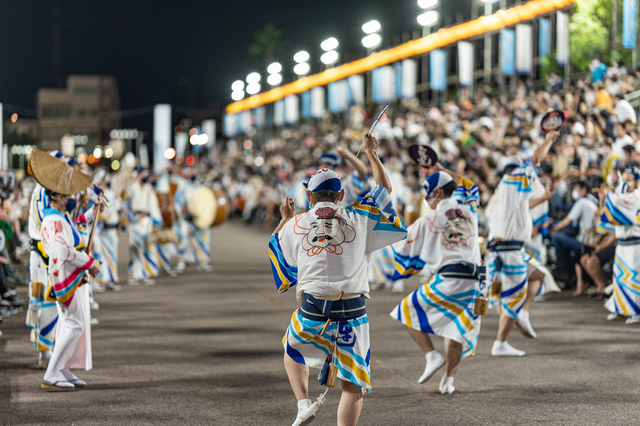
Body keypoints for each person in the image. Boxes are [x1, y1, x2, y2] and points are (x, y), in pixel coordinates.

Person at [269, 135, 406, 426]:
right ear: (340, 195)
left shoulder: (296, 224)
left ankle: (304, 403)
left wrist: (285, 217)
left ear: (309, 197)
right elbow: (384, 189)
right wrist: (371, 153)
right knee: (353, 386)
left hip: (313, 310)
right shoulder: (359, 216)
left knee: (292, 349)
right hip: (353, 313)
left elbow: (275, 244)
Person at [389, 164, 482, 394]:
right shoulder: (470, 210)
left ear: (437, 192)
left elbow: (403, 250)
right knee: (457, 328)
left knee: (406, 310)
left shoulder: (428, 219)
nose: (427, 199)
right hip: (478, 282)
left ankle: (431, 355)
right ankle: (449, 379)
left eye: (428, 194)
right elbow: (471, 187)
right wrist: (443, 169)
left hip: (450, 278)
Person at [485, 131, 558, 357]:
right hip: (507, 252)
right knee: (513, 297)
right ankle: (500, 342)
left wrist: (544, 199)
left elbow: (524, 205)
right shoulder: (512, 182)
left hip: (506, 249)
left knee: (539, 274)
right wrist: (549, 140)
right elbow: (534, 160)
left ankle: (522, 316)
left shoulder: (504, 192)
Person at [40, 187, 101, 390]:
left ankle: (62, 368)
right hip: (63, 278)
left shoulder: (58, 217)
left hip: (67, 275)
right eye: (68, 196)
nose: (72, 199)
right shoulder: (53, 219)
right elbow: (62, 249)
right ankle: (52, 371)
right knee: (75, 325)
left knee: (69, 325)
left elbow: (75, 226)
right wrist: (88, 263)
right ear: (59, 197)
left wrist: (93, 211)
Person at [598, 169, 640, 324]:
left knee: (634, 279)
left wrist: (610, 195)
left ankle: (637, 310)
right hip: (622, 245)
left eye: (628, 180)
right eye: (623, 180)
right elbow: (608, 217)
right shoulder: (622, 196)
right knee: (619, 278)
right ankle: (620, 308)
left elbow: (618, 208)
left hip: (635, 245)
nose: (623, 183)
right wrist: (604, 199)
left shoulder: (637, 196)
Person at [550, 180, 598, 294]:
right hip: (590, 239)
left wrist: (556, 226)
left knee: (556, 238)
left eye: (577, 188)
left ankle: (563, 269)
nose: (575, 191)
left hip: (584, 241)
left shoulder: (582, 202)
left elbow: (568, 220)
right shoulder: (593, 200)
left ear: (584, 190)